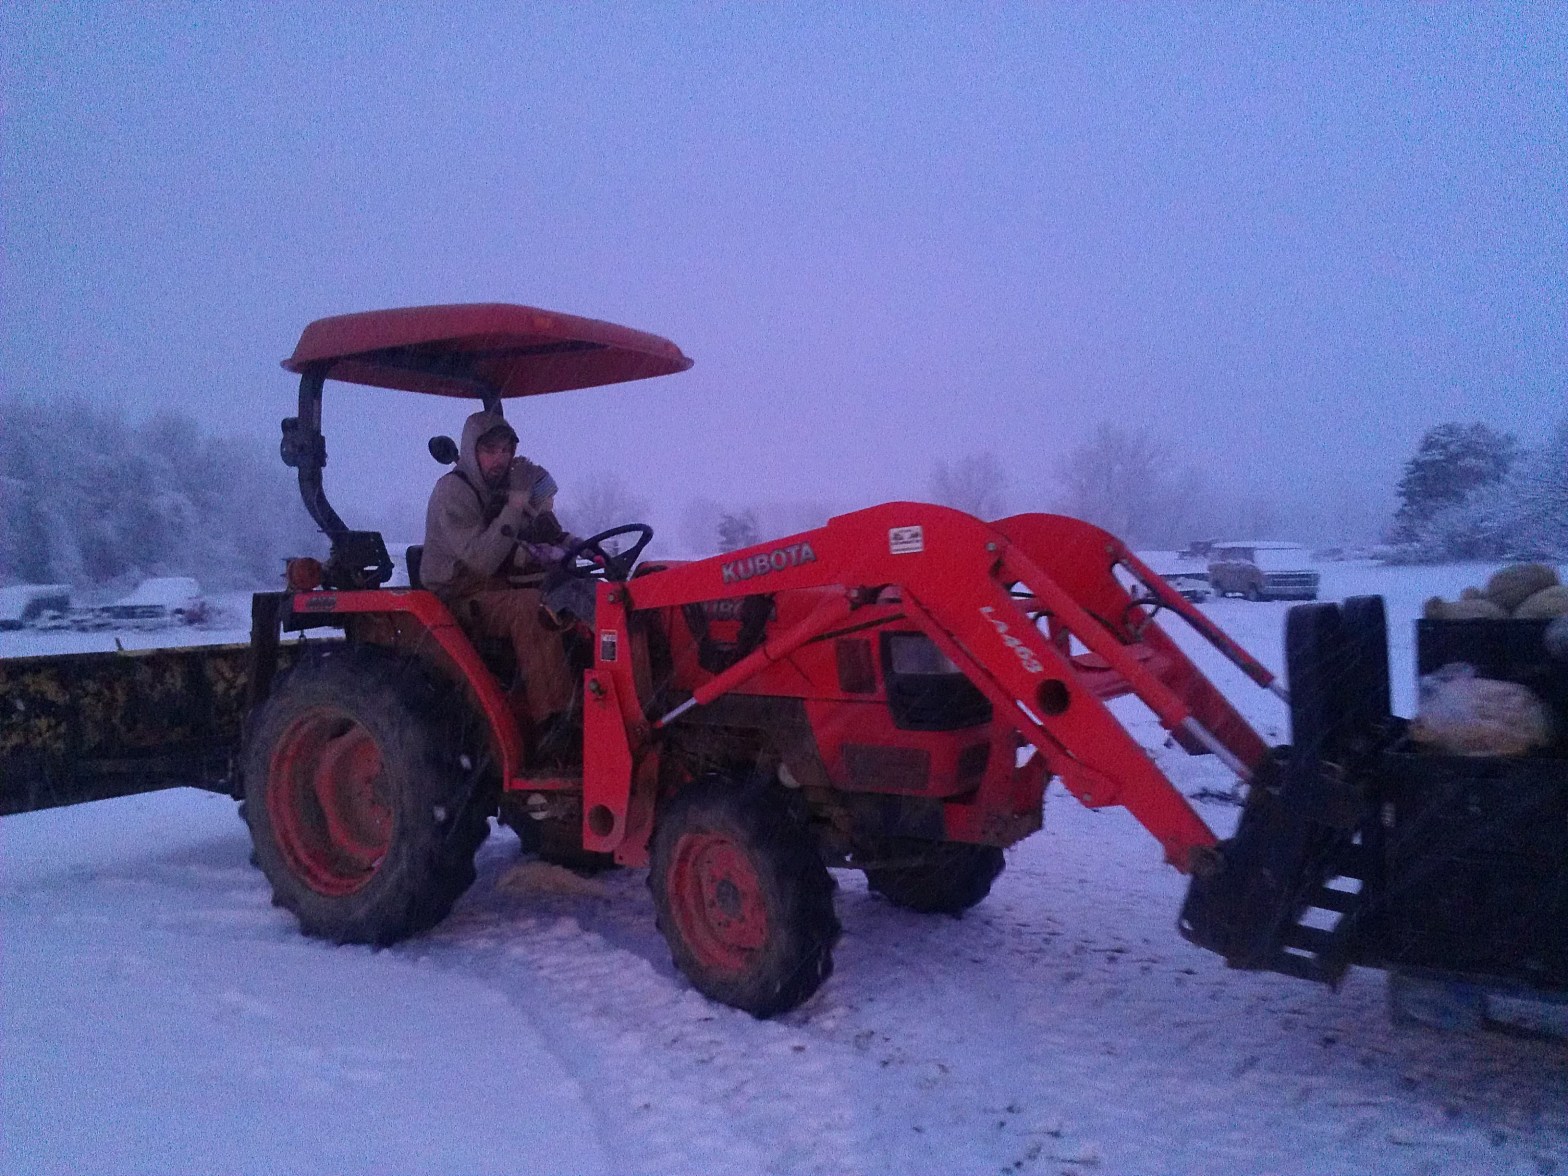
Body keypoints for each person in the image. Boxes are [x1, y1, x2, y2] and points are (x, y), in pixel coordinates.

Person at [421, 409, 577, 739]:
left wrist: (572, 542)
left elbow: (538, 529)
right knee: (532, 608)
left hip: (494, 586)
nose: (500, 459)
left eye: (506, 451)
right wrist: (515, 505)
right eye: (490, 451)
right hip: (458, 595)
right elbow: (482, 560)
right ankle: (557, 724)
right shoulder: (453, 491)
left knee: (572, 593)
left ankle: (593, 698)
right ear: (470, 450)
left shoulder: (506, 487)